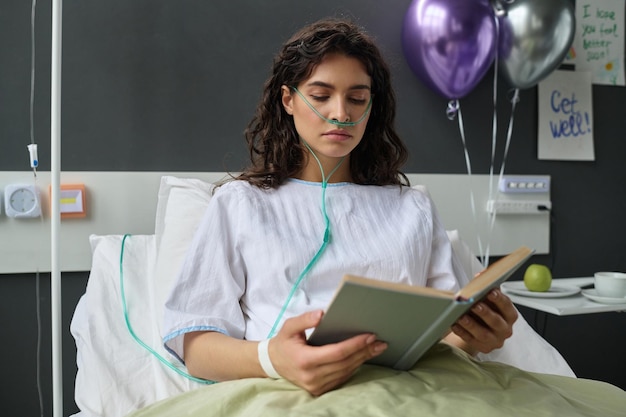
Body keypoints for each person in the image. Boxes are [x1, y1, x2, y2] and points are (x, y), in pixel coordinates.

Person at [162, 17, 518, 397]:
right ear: (288, 100)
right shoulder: (241, 204)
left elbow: (444, 335)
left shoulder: (412, 208)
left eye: (357, 97)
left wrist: (477, 338)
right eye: (320, 95)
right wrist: (273, 358)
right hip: (287, 393)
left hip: (411, 393)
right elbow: (196, 347)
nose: (341, 113)